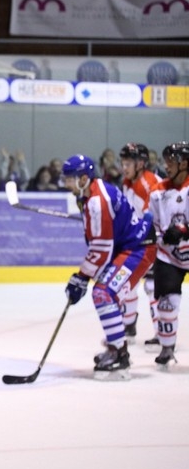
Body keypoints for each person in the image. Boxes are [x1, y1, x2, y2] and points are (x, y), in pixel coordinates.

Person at [61, 155, 156, 380]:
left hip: (138, 249)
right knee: (105, 291)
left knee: (104, 292)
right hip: (126, 246)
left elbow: (101, 248)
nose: (66, 184)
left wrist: (81, 277)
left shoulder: (97, 201)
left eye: (70, 179)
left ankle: (119, 355)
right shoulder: (88, 194)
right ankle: (117, 346)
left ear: (84, 178)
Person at [146, 141, 189, 368]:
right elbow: (150, 222)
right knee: (166, 303)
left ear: (185, 163)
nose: (167, 165)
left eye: (171, 161)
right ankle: (167, 349)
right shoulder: (157, 191)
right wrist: (147, 232)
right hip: (168, 256)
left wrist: (183, 230)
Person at [118, 142, 161, 346]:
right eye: (123, 162)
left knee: (152, 287)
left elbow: (149, 216)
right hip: (138, 239)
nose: (124, 167)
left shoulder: (149, 183)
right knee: (127, 281)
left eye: (128, 163)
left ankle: (161, 332)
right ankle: (129, 325)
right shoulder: (127, 181)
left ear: (141, 164)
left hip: (155, 239)